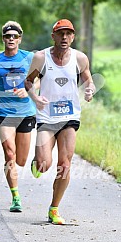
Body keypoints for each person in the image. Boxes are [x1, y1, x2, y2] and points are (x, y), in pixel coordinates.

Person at [25, 19, 96, 225]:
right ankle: (37, 162)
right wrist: (35, 98)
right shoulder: (41, 57)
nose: (64, 38)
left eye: (68, 34)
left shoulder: (80, 58)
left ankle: (54, 209)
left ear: (73, 37)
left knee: (65, 164)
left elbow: (88, 79)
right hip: (47, 117)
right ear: (53, 36)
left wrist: (90, 89)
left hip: (69, 117)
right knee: (44, 164)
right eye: (60, 34)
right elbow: (28, 81)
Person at [0, 20, 37, 212]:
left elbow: (37, 81)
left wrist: (28, 90)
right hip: (5, 112)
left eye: (15, 36)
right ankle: (15, 197)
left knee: (21, 160)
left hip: (26, 113)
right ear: (3, 39)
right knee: (10, 155)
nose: (11, 39)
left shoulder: (29, 58)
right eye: (8, 36)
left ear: (20, 39)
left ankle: (34, 160)